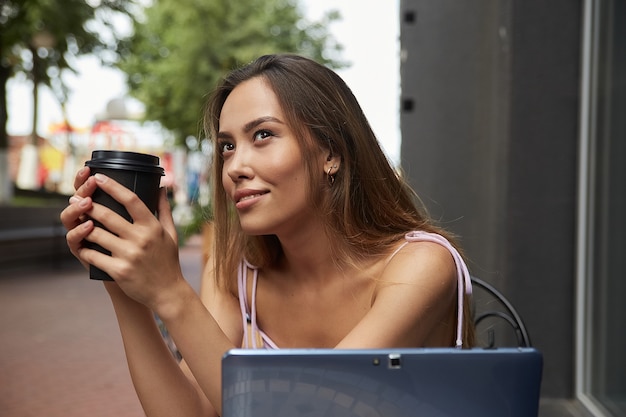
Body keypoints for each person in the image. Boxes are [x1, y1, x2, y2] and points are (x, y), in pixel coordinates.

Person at [60, 53, 474, 417]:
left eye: (263, 135)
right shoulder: (237, 270)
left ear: (331, 153)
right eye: (226, 146)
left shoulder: (420, 266)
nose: (235, 166)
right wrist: (124, 287)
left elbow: (318, 412)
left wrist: (172, 294)